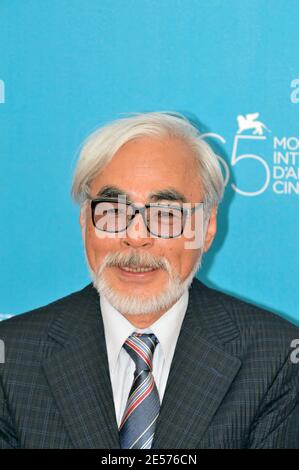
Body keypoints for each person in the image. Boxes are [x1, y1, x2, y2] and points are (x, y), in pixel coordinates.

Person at [0, 112, 298, 449]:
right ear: (85, 219)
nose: (136, 235)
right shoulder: (11, 358)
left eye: (166, 214)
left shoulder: (275, 360)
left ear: (207, 227)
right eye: (113, 210)